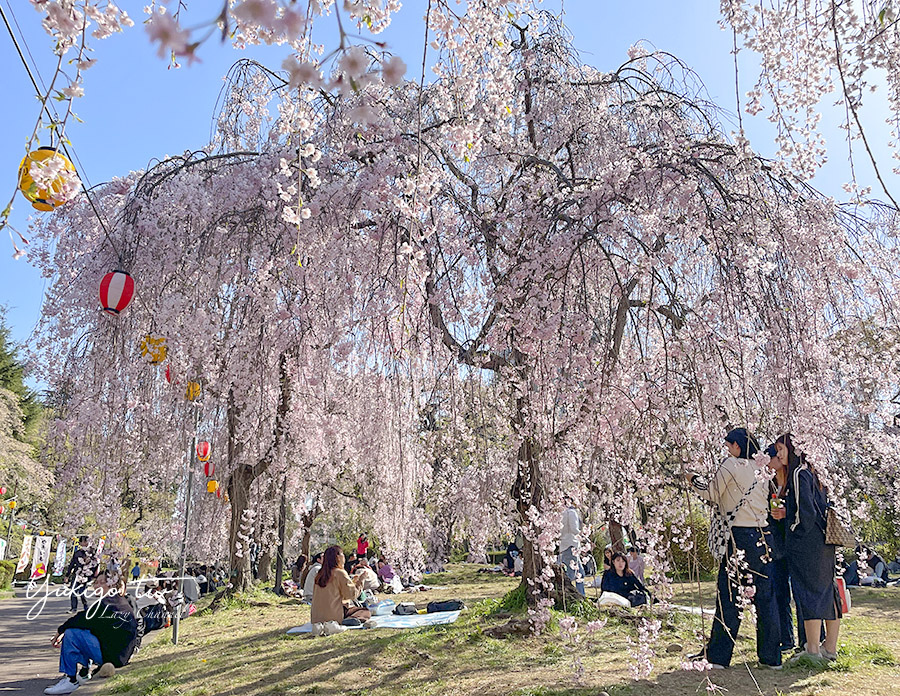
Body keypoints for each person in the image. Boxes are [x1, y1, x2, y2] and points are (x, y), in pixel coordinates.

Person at [685, 427, 781, 669]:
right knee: (766, 598)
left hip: (739, 535)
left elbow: (712, 493)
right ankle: (771, 657)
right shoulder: (763, 469)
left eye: (729, 445)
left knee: (729, 594)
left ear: (737, 446)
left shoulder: (732, 464)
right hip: (763, 536)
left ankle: (719, 656)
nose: (727, 449)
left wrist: (693, 480)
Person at [777, 433, 841, 663]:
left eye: (781, 449)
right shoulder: (816, 472)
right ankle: (830, 648)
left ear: (793, 449)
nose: (778, 454)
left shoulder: (798, 472)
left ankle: (812, 649)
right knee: (828, 590)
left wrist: (791, 525)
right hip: (825, 541)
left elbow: (805, 512)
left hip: (806, 543)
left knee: (808, 592)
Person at [44, 572, 139, 695]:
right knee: (82, 631)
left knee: (72, 634)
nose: (97, 585)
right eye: (96, 583)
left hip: (112, 657)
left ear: (111, 585)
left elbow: (81, 619)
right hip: (120, 656)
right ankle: (84, 673)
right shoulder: (118, 601)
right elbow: (87, 622)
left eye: (102, 582)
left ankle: (70, 680)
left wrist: (60, 631)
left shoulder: (106, 604)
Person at [765, 443, 796, 652]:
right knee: (780, 591)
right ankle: (786, 638)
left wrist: (786, 513)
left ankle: (812, 638)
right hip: (776, 545)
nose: (768, 462)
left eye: (772, 457)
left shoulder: (793, 481)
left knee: (800, 591)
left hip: (794, 542)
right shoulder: (767, 484)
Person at [310, 546, 369, 626]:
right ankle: (349, 619)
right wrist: (361, 580)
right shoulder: (339, 573)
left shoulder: (319, 574)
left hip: (316, 618)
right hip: (334, 616)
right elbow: (351, 595)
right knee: (365, 612)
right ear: (338, 557)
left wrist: (354, 582)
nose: (344, 556)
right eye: (342, 554)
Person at [559, 496, 585, 595]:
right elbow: (574, 530)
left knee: (576, 573)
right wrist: (582, 533)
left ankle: (578, 595)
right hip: (571, 544)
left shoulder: (561, 513)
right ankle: (575, 595)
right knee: (575, 574)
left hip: (564, 544)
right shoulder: (571, 513)